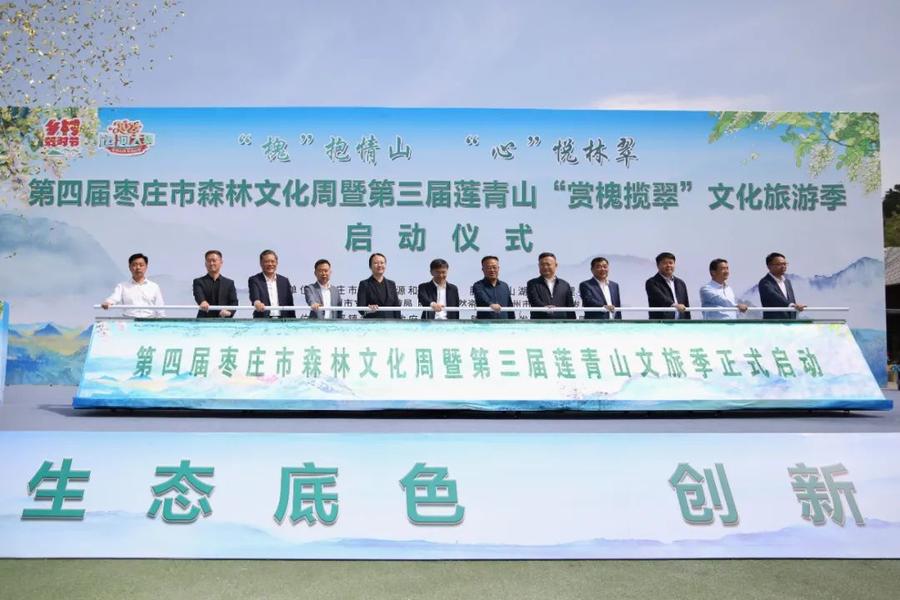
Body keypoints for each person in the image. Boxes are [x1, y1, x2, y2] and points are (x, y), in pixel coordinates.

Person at [101, 252, 165, 318]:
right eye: (134, 265)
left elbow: (160, 308)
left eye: (141, 265)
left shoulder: (154, 287)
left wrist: (162, 320)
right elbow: (114, 298)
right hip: (129, 321)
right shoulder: (122, 286)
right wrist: (108, 302)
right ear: (130, 267)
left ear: (146, 267)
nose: (138, 268)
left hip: (148, 321)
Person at [526, 252, 576, 320]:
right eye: (542, 264)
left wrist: (573, 322)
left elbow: (570, 307)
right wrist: (546, 308)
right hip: (539, 322)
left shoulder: (564, 285)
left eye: (548, 264)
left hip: (561, 323)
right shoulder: (532, 283)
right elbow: (534, 301)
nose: (545, 267)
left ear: (556, 265)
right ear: (538, 266)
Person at [248, 249, 296, 318]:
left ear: (277, 263)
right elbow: (255, 296)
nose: (270, 264)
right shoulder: (255, 280)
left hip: (283, 320)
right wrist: (257, 303)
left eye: (272, 261)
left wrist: (293, 321)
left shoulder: (284, 281)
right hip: (263, 320)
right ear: (261, 263)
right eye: (266, 262)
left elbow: (290, 304)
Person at [758, 252, 806, 320]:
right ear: (769, 266)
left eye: (785, 264)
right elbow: (775, 297)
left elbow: (792, 300)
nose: (783, 266)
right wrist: (792, 305)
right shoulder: (765, 282)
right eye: (779, 264)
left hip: (790, 322)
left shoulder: (787, 282)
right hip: (774, 323)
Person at [192, 250, 238, 318]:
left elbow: (234, 302)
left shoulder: (229, 283)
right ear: (205, 264)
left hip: (224, 320)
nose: (211, 263)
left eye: (214, 260)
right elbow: (198, 295)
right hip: (204, 320)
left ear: (221, 262)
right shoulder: (198, 282)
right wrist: (202, 301)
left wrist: (229, 311)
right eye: (208, 261)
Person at [645, 252, 691, 320]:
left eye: (671, 263)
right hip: (661, 323)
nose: (668, 265)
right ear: (658, 265)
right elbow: (661, 298)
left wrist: (688, 322)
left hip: (680, 323)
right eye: (665, 263)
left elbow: (686, 305)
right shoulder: (652, 282)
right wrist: (675, 305)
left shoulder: (681, 283)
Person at [357, 252, 400, 319]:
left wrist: (399, 323)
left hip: (390, 323)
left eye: (382, 263)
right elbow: (360, 308)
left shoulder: (391, 284)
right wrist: (368, 309)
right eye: (376, 263)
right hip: (372, 322)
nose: (379, 265)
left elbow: (396, 308)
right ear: (370, 266)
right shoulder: (364, 284)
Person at [472, 255, 514, 320]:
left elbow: (509, 306)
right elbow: (482, 298)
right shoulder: (478, 285)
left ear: (498, 268)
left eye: (494, 267)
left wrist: (513, 321)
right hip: (484, 324)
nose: (492, 270)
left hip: (504, 324)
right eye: (488, 268)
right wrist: (491, 304)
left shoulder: (504, 286)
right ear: (483, 270)